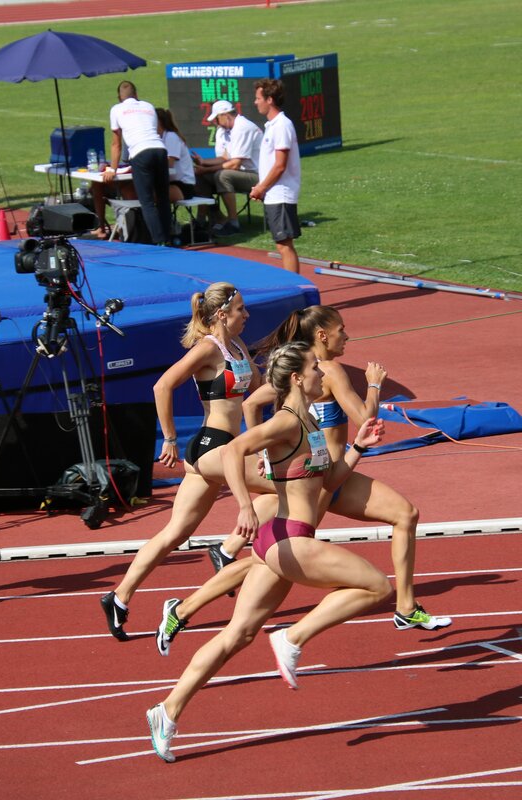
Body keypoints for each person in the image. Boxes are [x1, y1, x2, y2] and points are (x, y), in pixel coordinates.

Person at [156, 305, 451, 657]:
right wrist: (374, 385)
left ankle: (405, 607)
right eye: (341, 330)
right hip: (318, 482)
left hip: (334, 474)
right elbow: (365, 419)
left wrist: (269, 455)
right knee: (269, 561)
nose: (347, 336)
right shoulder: (327, 371)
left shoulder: (301, 369)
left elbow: (252, 404)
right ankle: (183, 609)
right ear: (323, 335)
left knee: (405, 514)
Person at [146, 341, 392, 762]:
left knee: (237, 635)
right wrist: (244, 505)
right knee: (377, 586)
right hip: (288, 539)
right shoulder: (285, 422)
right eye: (315, 368)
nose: (323, 374)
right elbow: (233, 450)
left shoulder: (309, 422)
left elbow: (329, 483)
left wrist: (358, 447)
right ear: (297, 378)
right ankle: (292, 637)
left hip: (279, 539)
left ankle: (166, 711)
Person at [100, 282, 277, 640]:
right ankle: (227, 550)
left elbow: (256, 392)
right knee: (285, 487)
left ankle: (118, 597)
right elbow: (162, 386)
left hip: (223, 448)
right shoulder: (207, 349)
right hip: (214, 447)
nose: (247, 315)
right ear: (222, 314)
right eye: (241, 309)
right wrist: (169, 438)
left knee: (175, 532)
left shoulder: (238, 346)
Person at [103, 81, 171, 245]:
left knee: (147, 201)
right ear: (136, 94)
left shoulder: (116, 109)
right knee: (163, 198)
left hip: (141, 153)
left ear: (119, 97)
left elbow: (116, 144)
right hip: (160, 150)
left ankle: (159, 241)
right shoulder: (148, 106)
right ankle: (168, 238)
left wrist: (112, 169)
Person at [250, 78, 301, 273]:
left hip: (281, 193)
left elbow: (280, 165)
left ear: (269, 99)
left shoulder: (281, 126)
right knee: (282, 244)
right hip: (274, 193)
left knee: (284, 245)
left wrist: (261, 187)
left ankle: (295, 287)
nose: (255, 102)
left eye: (258, 98)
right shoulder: (272, 125)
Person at [191, 99, 262, 237]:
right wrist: (203, 162)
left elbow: (235, 164)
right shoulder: (226, 130)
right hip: (242, 173)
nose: (216, 123)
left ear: (226, 115)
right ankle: (204, 220)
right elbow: (224, 157)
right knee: (199, 176)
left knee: (223, 175)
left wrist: (205, 169)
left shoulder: (243, 127)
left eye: (217, 119)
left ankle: (233, 223)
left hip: (258, 176)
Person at [156, 107, 195, 203]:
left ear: (158, 122)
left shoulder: (171, 137)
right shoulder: (159, 138)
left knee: (147, 195)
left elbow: (169, 164)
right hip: (170, 183)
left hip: (183, 185)